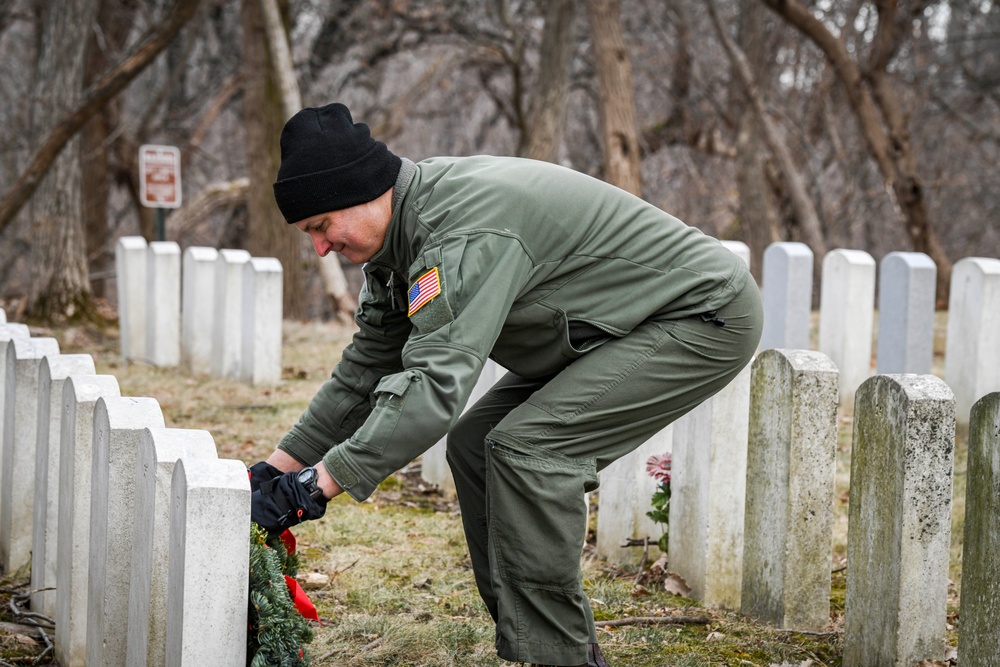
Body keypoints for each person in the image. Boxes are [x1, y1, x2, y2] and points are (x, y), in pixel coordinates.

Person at [249, 102, 763, 667]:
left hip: (700, 315)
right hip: (616, 324)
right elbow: (364, 372)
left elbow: (433, 387)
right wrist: (274, 472)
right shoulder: (396, 248)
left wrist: (316, 488)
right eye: (309, 234)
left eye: (322, 227)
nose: (320, 247)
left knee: (531, 451)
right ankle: (537, 645)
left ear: (366, 191)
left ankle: (559, 656)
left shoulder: (461, 233)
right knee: (476, 447)